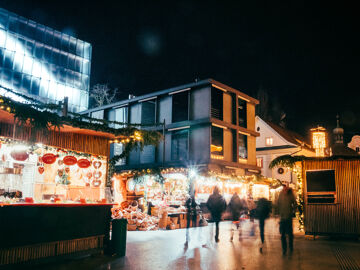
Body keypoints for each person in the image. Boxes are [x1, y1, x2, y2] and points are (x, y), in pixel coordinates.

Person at [277, 184, 296, 255]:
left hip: (288, 217)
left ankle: (291, 247)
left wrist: (293, 211)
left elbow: (295, 203)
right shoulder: (280, 194)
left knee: (290, 234)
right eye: (284, 187)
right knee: (282, 234)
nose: (285, 189)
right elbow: (278, 203)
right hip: (282, 218)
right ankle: (284, 249)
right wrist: (278, 213)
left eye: (286, 187)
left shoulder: (290, 194)